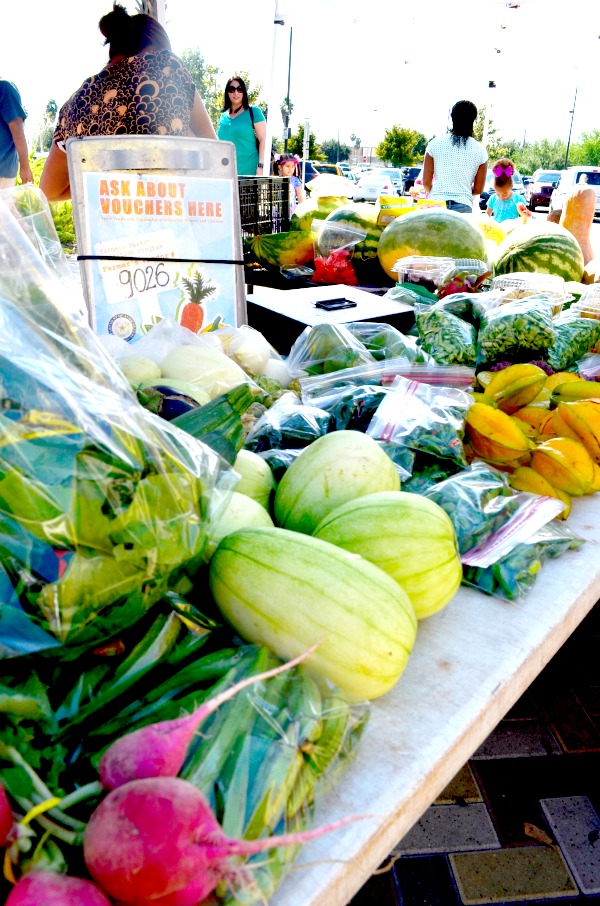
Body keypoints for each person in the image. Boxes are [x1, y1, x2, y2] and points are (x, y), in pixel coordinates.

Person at [40, 3, 216, 202]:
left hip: (105, 226)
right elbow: (215, 156)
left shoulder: (76, 103)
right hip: (167, 218)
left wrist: (101, 177)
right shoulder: (166, 66)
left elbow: (49, 190)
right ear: (156, 48)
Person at [422, 100, 488, 213]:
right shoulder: (480, 150)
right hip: (463, 207)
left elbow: (426, 183)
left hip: (436, 205)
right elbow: (478, 189)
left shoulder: (434, 144)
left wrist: (438, 193)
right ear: (473, 120)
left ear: (452, 117)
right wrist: (462, 192)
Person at [217, 76, 266, 177]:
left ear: (244, 92)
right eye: (232, 89)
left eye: (239, 89)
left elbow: (263, 139)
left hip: (248, 174)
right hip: (225, 174)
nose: (236, 92)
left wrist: (261, 166)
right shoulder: (223, 116)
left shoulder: (254, 112)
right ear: (227, 92)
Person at [0, 77, 33, 188]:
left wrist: (25, 166)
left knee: (4, 205)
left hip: (2, 171)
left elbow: (17, 128)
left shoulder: (4, 88)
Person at [486, 158, 524, 223]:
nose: (501, 196)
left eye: (505, 193)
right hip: (497, 231)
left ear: (511, 187)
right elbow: (486, 216)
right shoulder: (493, 199)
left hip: (513, 231)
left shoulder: (519, 199)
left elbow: (524, 218)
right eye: (498, 194)